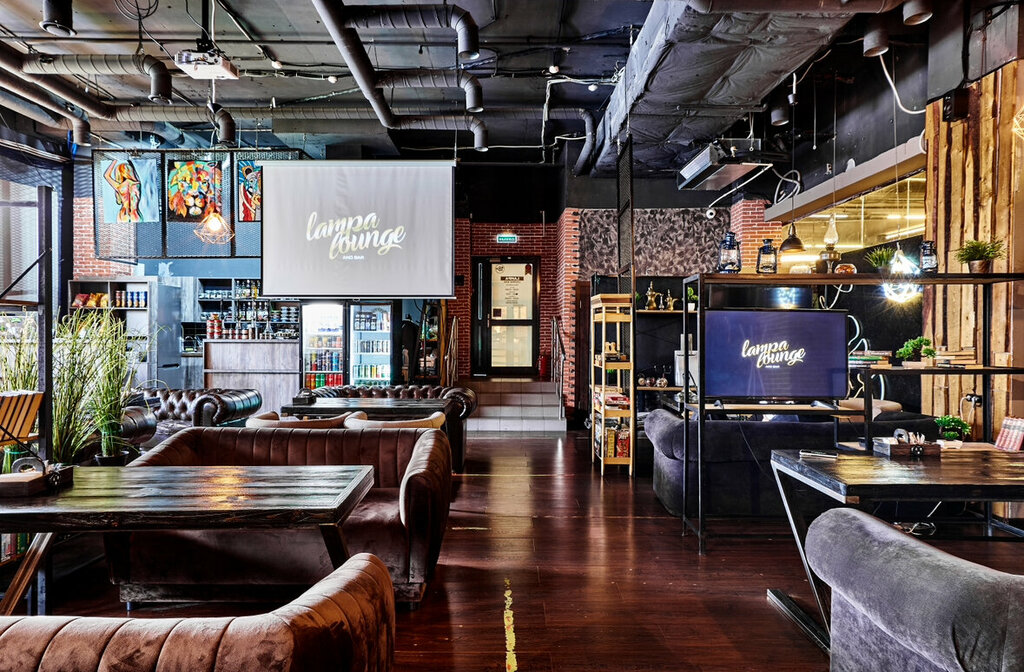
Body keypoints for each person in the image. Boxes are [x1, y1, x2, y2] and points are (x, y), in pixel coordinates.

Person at [104, 159, 141, 223]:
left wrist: (115, 160)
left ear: (119, 173)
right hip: (135, 214)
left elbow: (106, 175)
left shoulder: (119, 187)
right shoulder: (137, 184)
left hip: (123, 215)